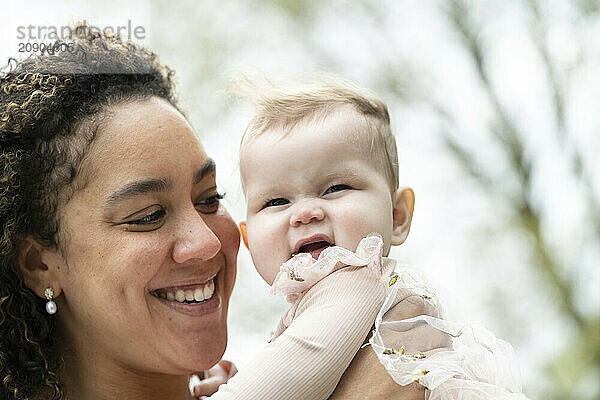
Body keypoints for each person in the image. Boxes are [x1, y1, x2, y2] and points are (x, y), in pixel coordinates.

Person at [0, 26, 428, 400]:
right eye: (148, 215)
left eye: (210, 198)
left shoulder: (396, 357)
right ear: (41, 265)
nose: (207, 241)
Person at [205, 72, 530, 399]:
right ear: (247, 239)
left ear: (396, 216)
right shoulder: (333, 302)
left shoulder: (359, 278)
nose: (305, 213)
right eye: (276, 201)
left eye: (335, 188)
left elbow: (302, 362)